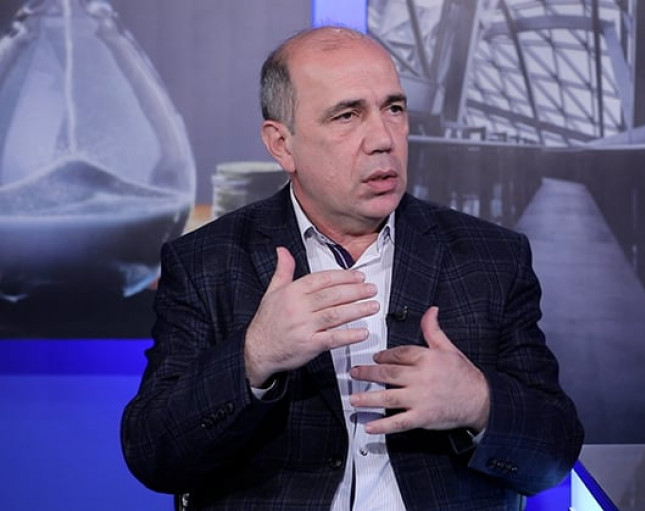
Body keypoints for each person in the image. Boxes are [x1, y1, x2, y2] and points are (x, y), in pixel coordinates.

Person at [121, 25, 583, 511]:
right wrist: (254, 356)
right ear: (282, 144)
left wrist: (478, 402)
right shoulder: (206, 261)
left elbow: (552, 457)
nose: (383, 139)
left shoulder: (491, 258)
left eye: (394, 109)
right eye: (347, 115)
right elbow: (154, 454)